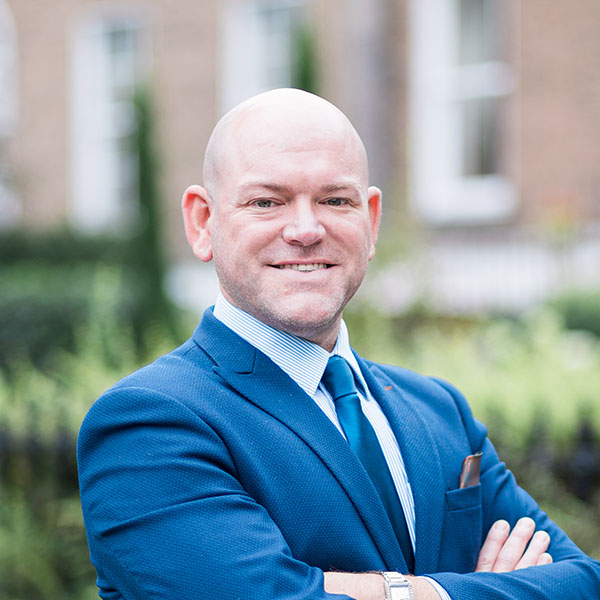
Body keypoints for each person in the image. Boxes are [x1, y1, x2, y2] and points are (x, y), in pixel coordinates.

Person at [77, 88, 600, 600]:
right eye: (267, 201)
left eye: (334, 200)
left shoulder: (441, 411)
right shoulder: (148, 425)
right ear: (202, 221)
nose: (306, 229)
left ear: (370, 221)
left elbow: (585, 580)